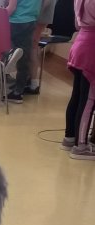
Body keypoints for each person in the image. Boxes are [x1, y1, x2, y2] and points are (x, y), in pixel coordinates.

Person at [65, 0, 95, 159]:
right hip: (91, 48)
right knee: (88, 101)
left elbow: (77, 24)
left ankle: (69, 137)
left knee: (77, 96)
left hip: (81, 42)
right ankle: (81, 146)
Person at [26, 0, 59, 94]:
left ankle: (33, 83)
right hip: (39, 15)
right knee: (32, 47)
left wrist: (35, 14)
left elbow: (46, 2)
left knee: (33, 47)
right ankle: (30, 80)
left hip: (39, 16)